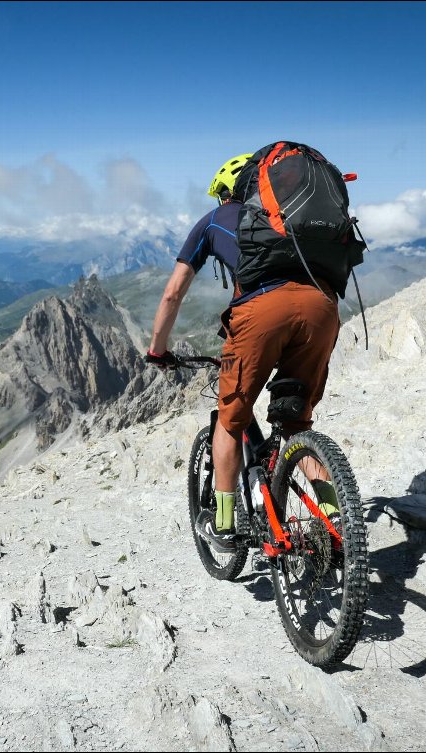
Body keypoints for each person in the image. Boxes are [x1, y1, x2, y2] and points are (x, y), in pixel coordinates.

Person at [145, 154, 341, 551]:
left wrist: (158, 350)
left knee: (230, 421)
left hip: (262, 313)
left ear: (223, 193)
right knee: (296, 426)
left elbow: (172, 293)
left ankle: (223, 524)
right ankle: (340, 525)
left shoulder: (215, 219)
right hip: (324, 308)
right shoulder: (295, 213)